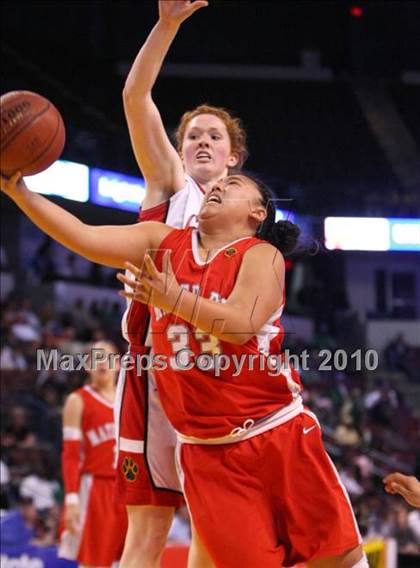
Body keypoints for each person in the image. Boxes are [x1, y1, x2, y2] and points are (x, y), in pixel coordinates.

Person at [1, 171, 367, 567]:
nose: (218, 187)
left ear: (257, 213)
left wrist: (173, 298)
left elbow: (240, 324)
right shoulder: (161, 242)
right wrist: (18, 191)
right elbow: (83, 236)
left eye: (234, 186)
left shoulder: (262, 255)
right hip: (205, 451)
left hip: (274, 430)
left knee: (339, 559)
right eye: (216, 186)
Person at [119, 1, 246, 565]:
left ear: (233, 155)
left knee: (219, 530)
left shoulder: (250, 226)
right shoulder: (172, 188)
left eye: (213, 137)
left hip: (223, 379)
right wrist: (167, 25)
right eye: (192, 135)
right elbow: (134, 98)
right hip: (156, 371)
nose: (201, 142)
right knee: (148, 528)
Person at [58, 341, 128, 567]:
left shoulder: (129, 399)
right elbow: (70, 455)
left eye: (107, 358)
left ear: (118, 364)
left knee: (133, 557)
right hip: (96, 488)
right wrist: (71, 499)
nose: (102, 364)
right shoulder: (78, 401)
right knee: (94, 561)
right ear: (87, 365)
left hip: (129, 488)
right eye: (96, 358)